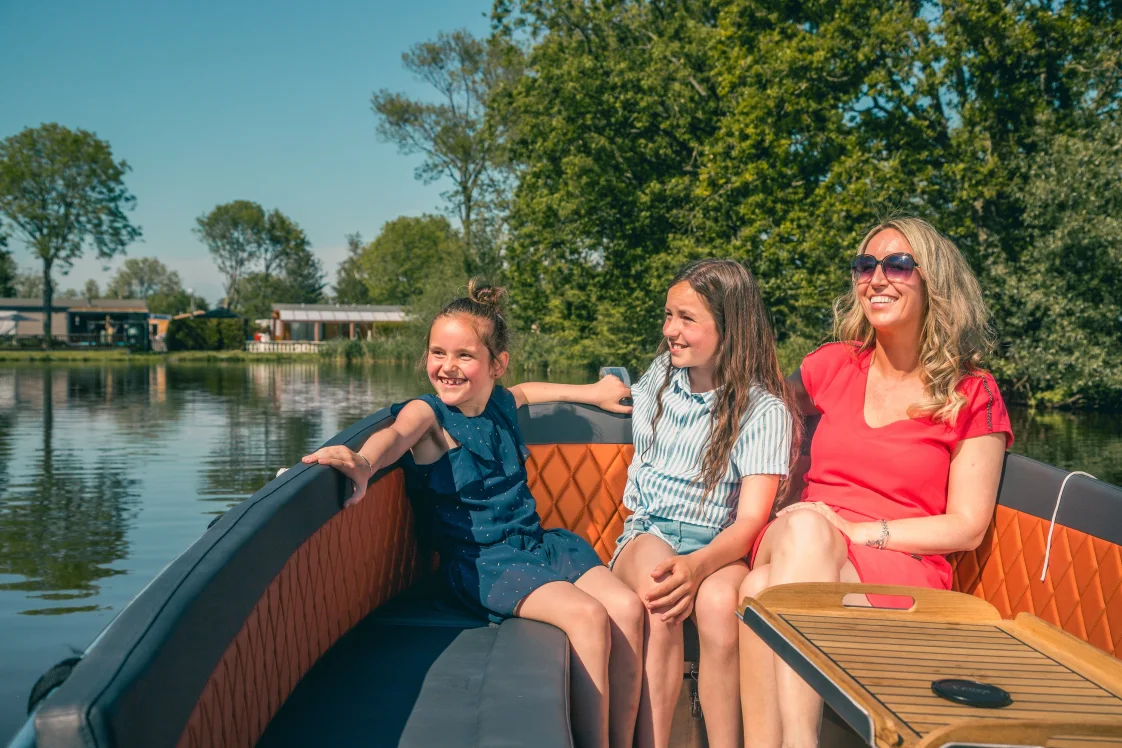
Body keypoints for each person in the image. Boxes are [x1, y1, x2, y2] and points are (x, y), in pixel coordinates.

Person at [302, 280, 644, 748]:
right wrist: (362, 462)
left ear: (495, 365)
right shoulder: (429, 416)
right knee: (587, 616)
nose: (447, 366)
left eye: (464, 355)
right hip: (483, 565)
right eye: (437, 352)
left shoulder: (501, 403)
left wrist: (597, 391)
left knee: (627, 607)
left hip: (537, 544)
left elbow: (531, 390)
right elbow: (396, 436)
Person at [739, 217, 1013, 748]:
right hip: (801, 536)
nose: (877, 277)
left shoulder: (970, 391)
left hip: (900, 565)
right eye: (866, 265)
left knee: (756, 590)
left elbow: (967, 528)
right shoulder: (832, 365)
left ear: (933, 279)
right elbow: (757, 415)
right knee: (804, 533)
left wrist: (864, 533)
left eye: (898, 264)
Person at [610, 259, 798, 748]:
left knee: (720, 608)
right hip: (650, 532)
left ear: (729, 326)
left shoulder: (762, 410)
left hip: (719, 547)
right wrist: (519, 396)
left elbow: (752, 520)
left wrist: (697, 567)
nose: (671, 330)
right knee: (661, 596)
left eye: (687, 319)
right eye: (669, 315)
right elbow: (613, 391)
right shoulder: (661, 379)